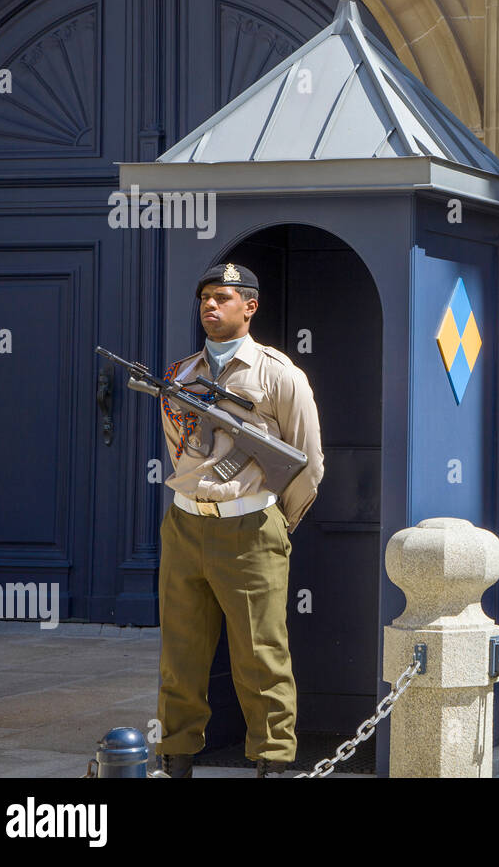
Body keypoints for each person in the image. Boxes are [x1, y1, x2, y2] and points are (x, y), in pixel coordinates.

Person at [154, 262, 324, 778]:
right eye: (205, 296)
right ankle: (176, 756)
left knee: (260, 657)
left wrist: (272, 521)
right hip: (185, 526)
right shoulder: (180, 375)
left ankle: (271, 762)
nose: (211, 305)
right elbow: (183, 454)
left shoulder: (277, 374)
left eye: (223, 297)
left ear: (249, 307)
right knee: (180, 656)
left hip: (250, 529)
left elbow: (307, 461)